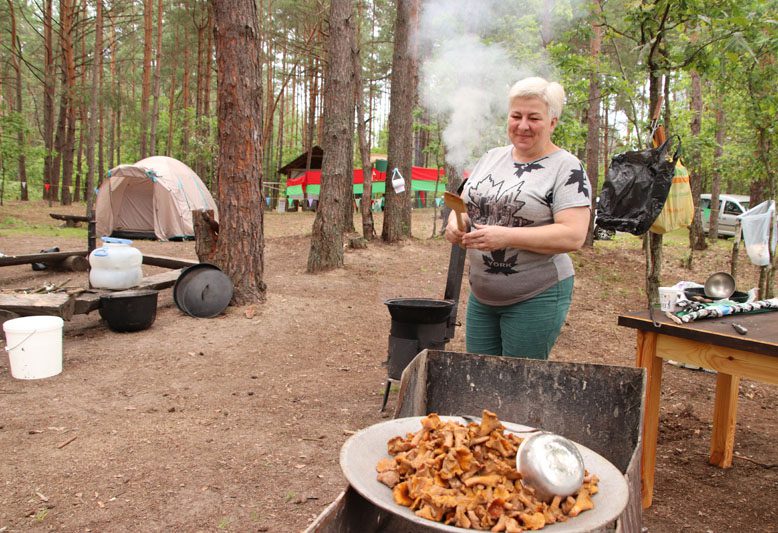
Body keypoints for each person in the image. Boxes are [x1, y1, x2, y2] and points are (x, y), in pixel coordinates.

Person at [445, 76, 592, 359]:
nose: (523, 125)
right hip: (482, 295)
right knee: (478, 376)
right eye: (516, 116)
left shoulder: (567, 168)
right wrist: (456, 225)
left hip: (536, 295)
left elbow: (573, 235)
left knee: (517, 386)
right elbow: (464, 205)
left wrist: (507, 236)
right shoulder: (491, 157)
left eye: (534, 118)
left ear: (552, 122)